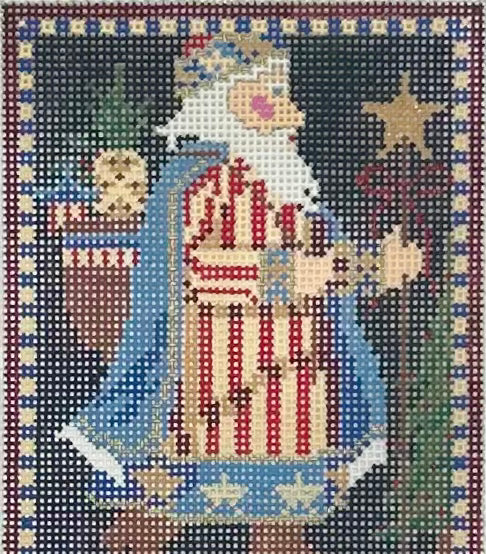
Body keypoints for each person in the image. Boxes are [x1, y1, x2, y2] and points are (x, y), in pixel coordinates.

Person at [58, 34, 422, 520]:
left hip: (298, 372)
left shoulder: (288, 182)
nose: (291, 111)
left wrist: (376, 266)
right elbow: (192, 269)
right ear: (226, 99)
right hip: (221, 372)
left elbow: (326, 261)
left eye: (284, 92)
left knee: (295, 480)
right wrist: (286, 274)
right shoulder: (199, 181)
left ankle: (284, 542)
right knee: (215, 477)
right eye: (271, 93)